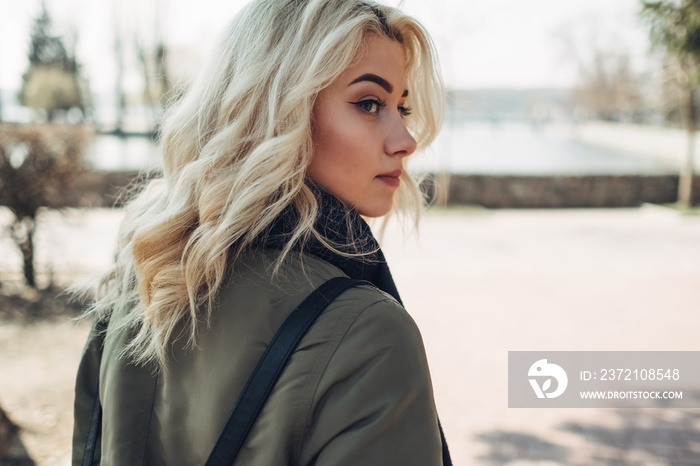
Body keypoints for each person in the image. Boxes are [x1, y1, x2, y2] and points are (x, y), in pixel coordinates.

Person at [72, 0, 448, 464]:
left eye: (402, 107)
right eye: (369, 103)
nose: (406, 140)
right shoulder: (368, 334)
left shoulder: (142, 272)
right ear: (276, 109)